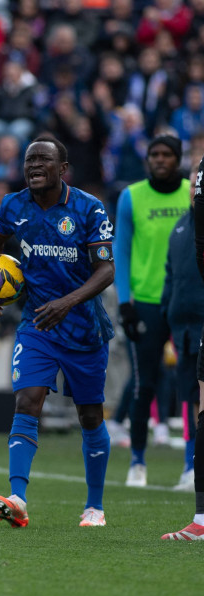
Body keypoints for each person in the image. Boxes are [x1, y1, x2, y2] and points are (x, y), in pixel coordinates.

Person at [0, 135, 115, 528]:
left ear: (62, 169)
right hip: (37, 325)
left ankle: (95, 506)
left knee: (89, 417)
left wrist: (68, 302)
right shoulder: (14, 206)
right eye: (30, 160)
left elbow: (106, 270)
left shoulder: (88, 208)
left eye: (43, 161)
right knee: (28, 401)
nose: (33, 166)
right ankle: (17, 497)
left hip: (84, 330)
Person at [114, 134, 189, 487]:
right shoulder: (131, 197)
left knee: (192, 386)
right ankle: (138, 462)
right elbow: (122, 250)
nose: (160, 159)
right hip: (144, 302)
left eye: (167, 154)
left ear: (178, 158)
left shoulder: (193, 193)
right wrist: (125, 302)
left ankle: (191, 465)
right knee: (144, 384)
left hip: (185, 300)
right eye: (154, 154)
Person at [162, 151, 204, 540]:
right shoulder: (179, 229)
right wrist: (166, 314)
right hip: (184, 328)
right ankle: (192, 465)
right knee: (191, 400)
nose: (195, 188)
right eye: (192, 183)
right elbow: (171, 278)